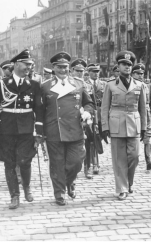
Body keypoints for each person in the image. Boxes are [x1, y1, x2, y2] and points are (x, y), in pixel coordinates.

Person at [0, 49, 44, 209]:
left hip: (26, 129)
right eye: (27, 64)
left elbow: (39, 109)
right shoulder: (2, 84)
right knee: (9, 163)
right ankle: (14, 196)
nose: (29, 68)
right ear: (17, 64)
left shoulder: (34, 84)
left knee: (25, 161)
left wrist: (39, 131)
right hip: (6, 128)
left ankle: (26, 188)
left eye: (31, 65)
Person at [40, 51, 95, 206]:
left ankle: (69, 182)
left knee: (76, 162)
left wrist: (87, 113)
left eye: (65, 67)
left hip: (75, 129)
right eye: (59, 67)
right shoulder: (45, 86)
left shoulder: (78, 83)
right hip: (54, 130)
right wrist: (40, 131)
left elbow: (89, 103)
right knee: (57, 164)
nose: (63, 70)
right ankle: (59, 193)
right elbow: (40, 110)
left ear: (69, 68)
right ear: (53, 68)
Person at [101, 51, 146, 200]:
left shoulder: (139, 85)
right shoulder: (111, 85)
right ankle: (121, 188)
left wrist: (144, 127)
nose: (127, 67)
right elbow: (105, 107)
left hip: (134, 123)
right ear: (118, 66)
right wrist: (105, 126)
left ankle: (129, 182)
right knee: (119, 158)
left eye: (129, 65)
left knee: (134, 157)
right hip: (116, 124)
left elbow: (142, 108)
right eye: (124, 64)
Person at [132, 63, 151, 171]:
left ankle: (149, 161)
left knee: (147, 138)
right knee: (133, 139)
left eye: (142, 74)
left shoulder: (148, 86)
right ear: (132, 74)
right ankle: (131, 161)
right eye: (137, 73)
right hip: (134, 114)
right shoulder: (130, 85)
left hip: (146, 115)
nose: (140, 75)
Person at [87, 63, 107, 175]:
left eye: (97, 71)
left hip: (101, 113)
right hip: (90, 113)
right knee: (92, 139)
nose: (96, 74)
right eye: (93, 71)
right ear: (88, 72)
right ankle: (94, 164)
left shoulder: (104, 84)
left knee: (100, 137)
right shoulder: (84, 84)